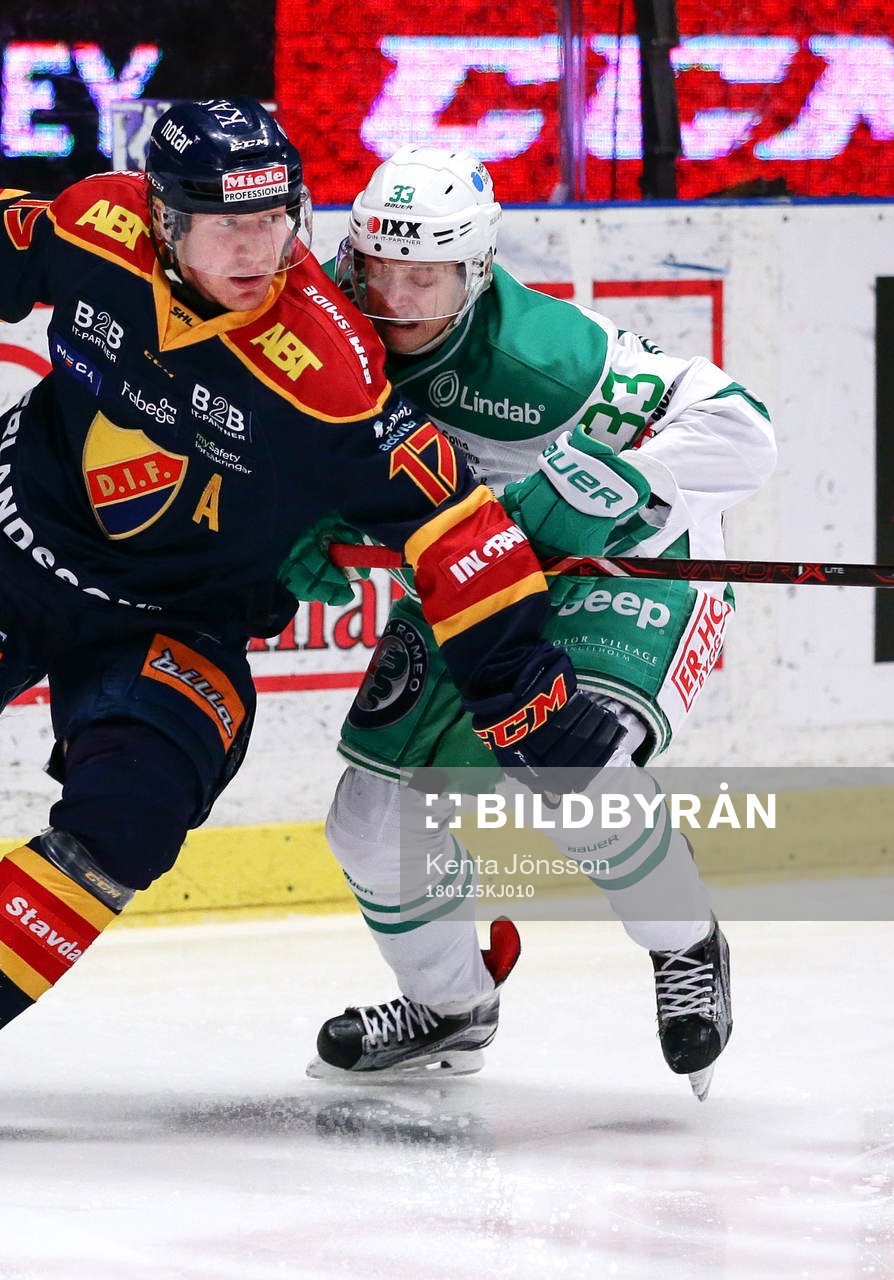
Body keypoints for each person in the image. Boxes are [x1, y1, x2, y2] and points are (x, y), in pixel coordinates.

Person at [0, 102, 625, 1148]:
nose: (257, 250)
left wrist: (524, 690)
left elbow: (457, 526)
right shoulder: (95, 229)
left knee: (135, 808)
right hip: (8, 544)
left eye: (275, 219)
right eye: (225, 224)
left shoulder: (329, 371)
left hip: (179, 615)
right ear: (163, 218)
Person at [279, 145, 777, 1097]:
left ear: (476, 271)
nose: (398, 297)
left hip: (623, 562)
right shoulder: (324, 325)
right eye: (380, 268)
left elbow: (741, 429)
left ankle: (684, 942)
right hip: (470, 567)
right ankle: (450, 1006)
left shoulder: (543, 357)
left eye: (427, 275)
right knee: (372, 819)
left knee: (563, 761)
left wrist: (611, 484)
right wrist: (296, 522)